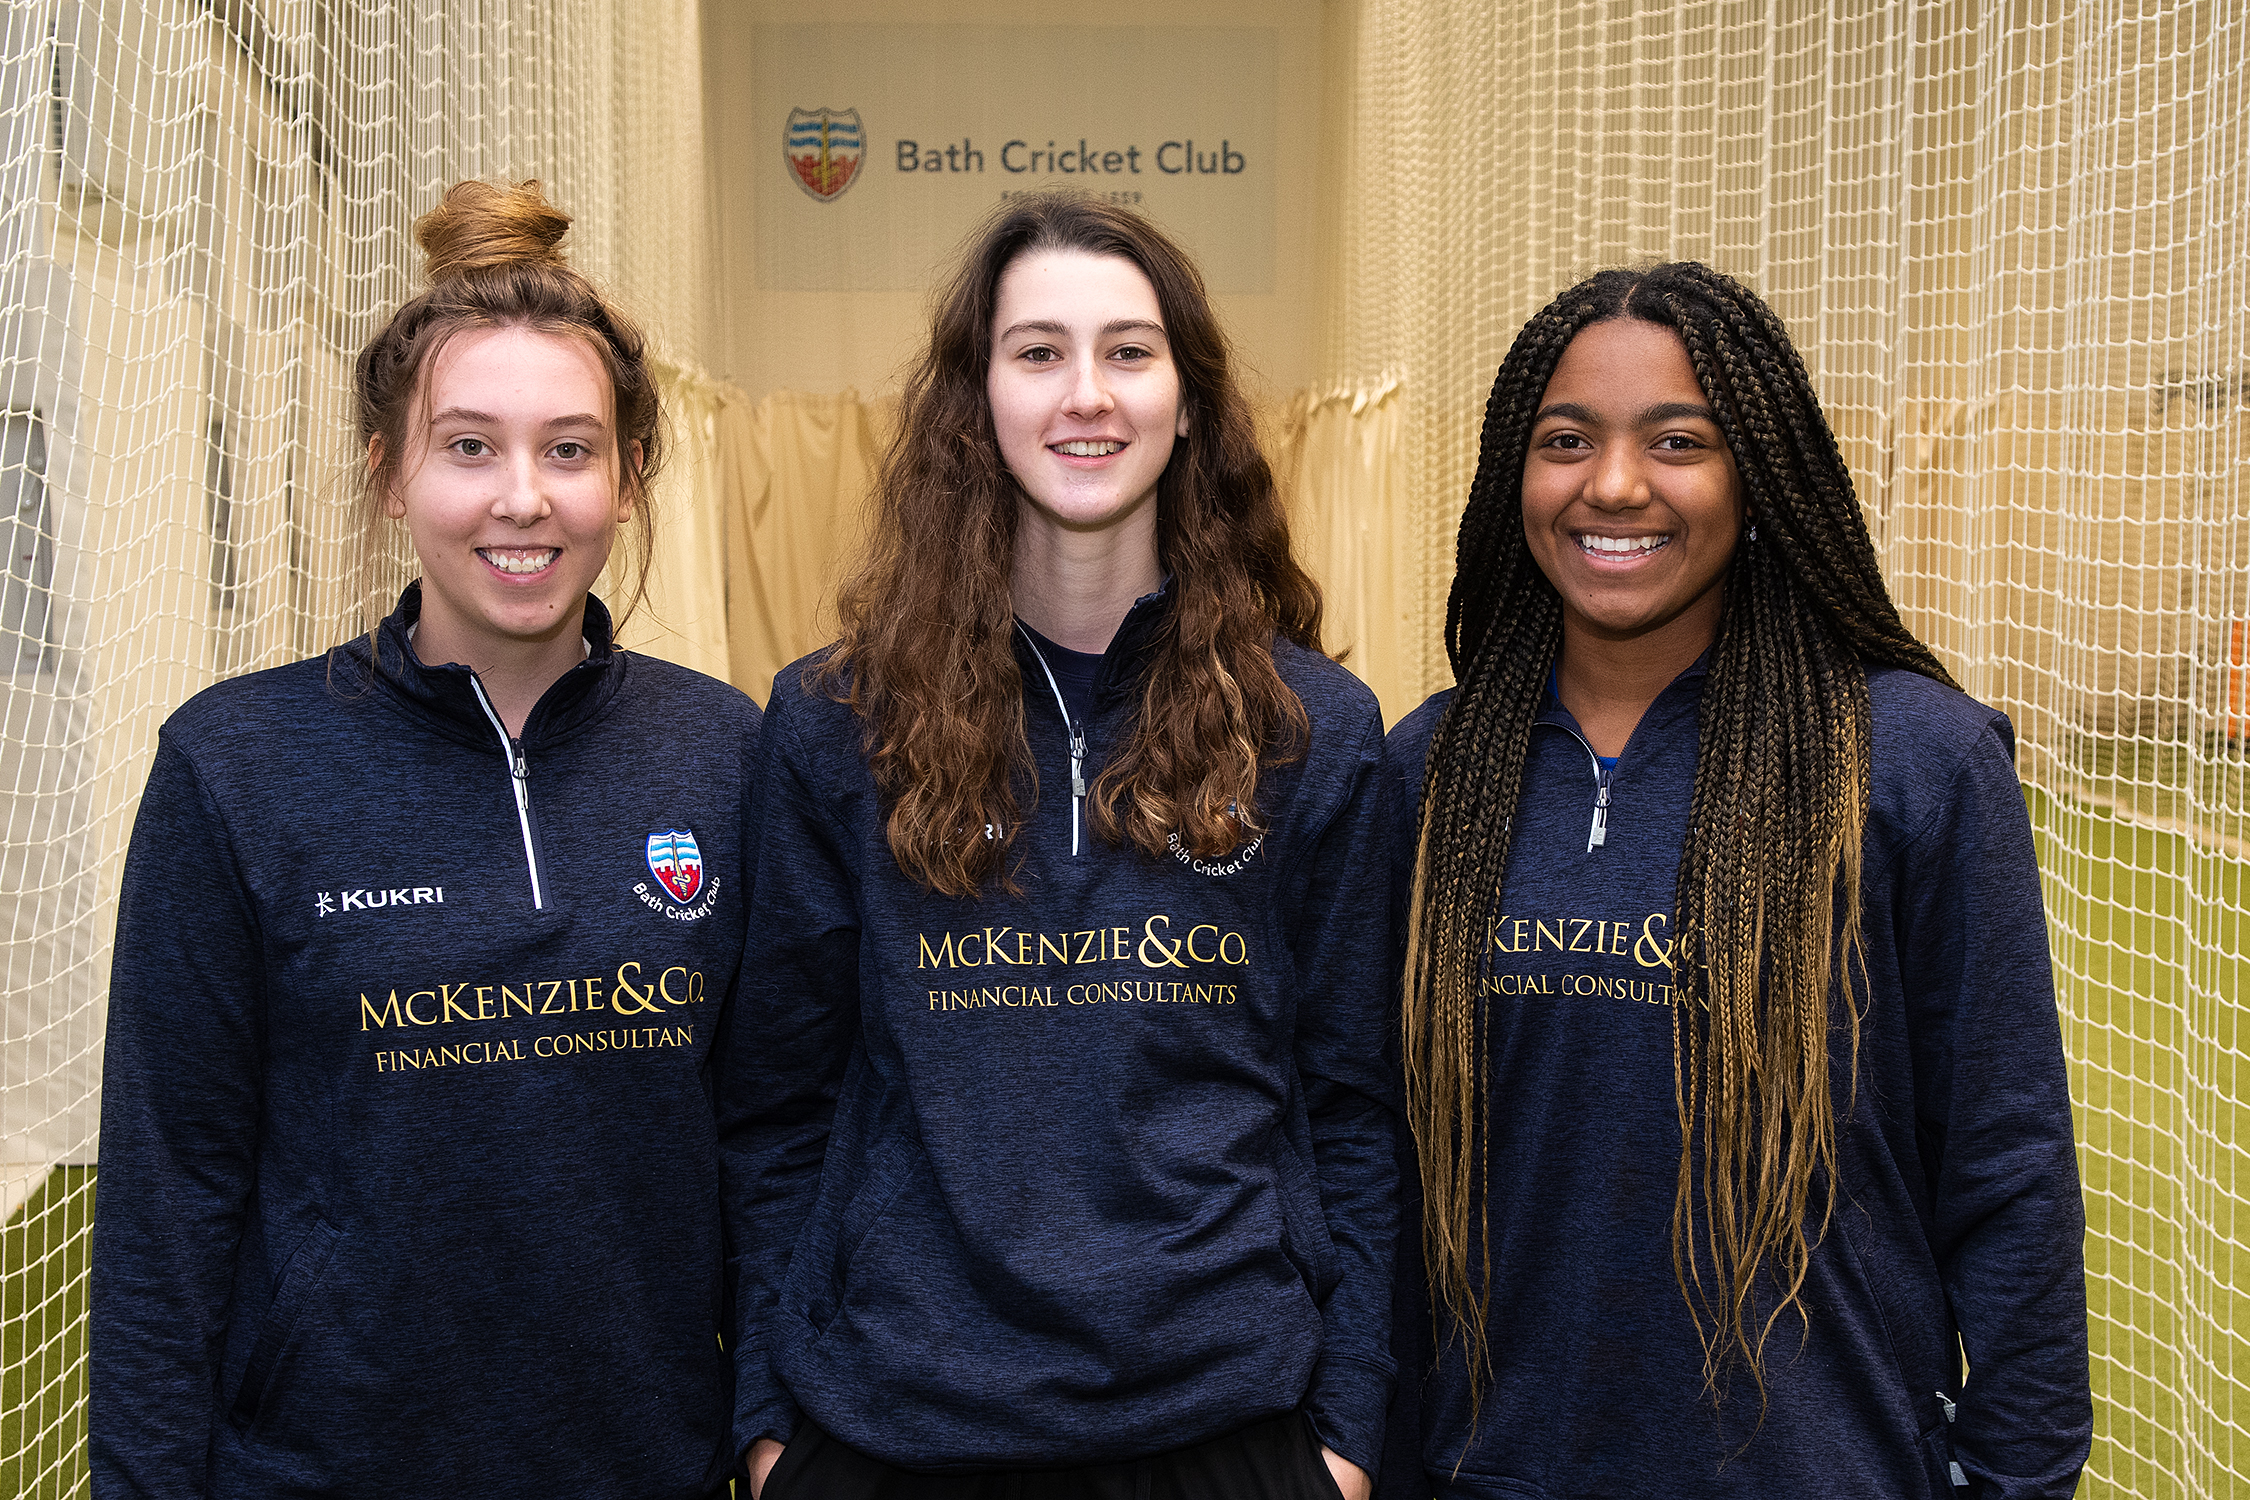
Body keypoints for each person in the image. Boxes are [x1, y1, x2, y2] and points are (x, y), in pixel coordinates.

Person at [720, 192, 1396, 1499]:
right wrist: (764, 1421)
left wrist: (1350, 1436)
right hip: (892, 1427)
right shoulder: (831, 722)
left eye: (1128, 353)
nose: (1085, 394)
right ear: (975, 400)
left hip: (1227, 1428)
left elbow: (1357, 1107)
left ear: (1189, 400)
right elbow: (774, 1109)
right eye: (1037, 352)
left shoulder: (1315, 730)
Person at [89, 180, 758, 1499]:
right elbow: (169, 1199)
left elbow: (771, 1144)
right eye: (468, 447)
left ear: (627, 482)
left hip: (648, 1468)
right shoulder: (237, 765)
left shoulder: (723, 753)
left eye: (570, 449)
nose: (523, 498)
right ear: (388, 474)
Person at [1379, 263, 2091, 1498]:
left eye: (1677, 441)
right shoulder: (1429, 770)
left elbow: (2009, 1169)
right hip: (1486, 1472)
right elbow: (1371, 1172)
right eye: (1566, 441)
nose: (1614, 484)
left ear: (1758, 474)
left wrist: (2018, 1482)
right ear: (1514, 477)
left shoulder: (1914, 761)